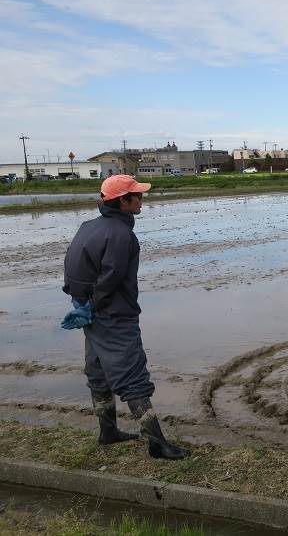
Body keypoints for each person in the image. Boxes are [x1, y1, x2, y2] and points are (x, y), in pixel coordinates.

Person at [62, 175, 190, 460]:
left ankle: (108, 432)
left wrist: (80, 303)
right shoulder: (122, 235)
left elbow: (71, 265)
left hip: (90, 316)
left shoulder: (88, 227)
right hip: (114, 315)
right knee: (132, 375)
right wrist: (95, 304)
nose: (141, 200)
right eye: (137, 196)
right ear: (122, 201)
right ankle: (156, 443)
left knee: (98, 372)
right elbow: (111, 278)